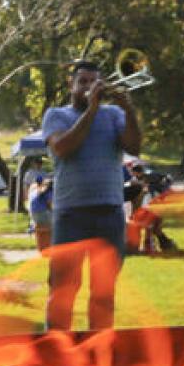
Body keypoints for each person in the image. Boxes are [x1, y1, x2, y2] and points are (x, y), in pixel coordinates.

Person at [41, 60, 141, 331]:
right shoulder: (56, 115)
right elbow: (64, 147)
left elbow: (134, 145)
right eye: (82, 82)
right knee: (63, 291)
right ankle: (56, 355)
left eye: (93, 81)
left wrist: (128, 109)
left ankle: (98, 356)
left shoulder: (114, 115)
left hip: (109, 213)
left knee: (104, 294)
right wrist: (93, 109)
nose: (88, 87)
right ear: (70, 85)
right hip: (70, 215)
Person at [28, 173, 53, 250]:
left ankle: (32, 228)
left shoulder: (34, 189)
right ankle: (52, 246)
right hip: (42, 214)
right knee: (57, 222)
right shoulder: (48, 191)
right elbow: (50, 205)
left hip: (33, 215)